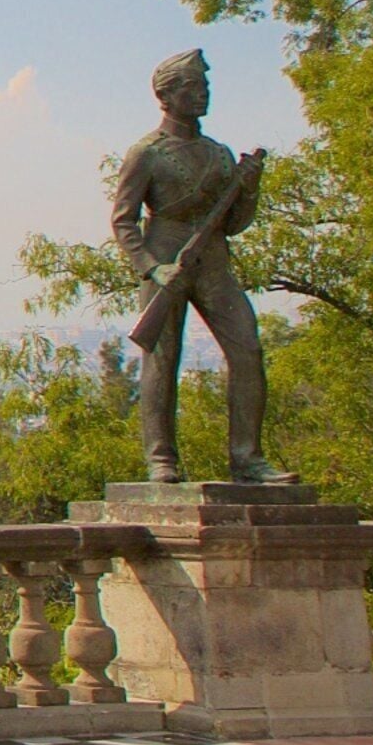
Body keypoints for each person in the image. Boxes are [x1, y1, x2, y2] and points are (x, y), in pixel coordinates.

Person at [110, 49, 281, 484]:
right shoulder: (146, 153)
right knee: (162, 358)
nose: (203, 95)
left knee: (247, 348)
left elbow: (236, 223)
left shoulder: (219, 153)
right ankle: (161, 457)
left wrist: (250, 188)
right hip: (166, 256)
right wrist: (151, 267)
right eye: (192, 88)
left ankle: (247, 457)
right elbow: (124, 220)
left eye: (204, 87)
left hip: (214, 261)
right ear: (165, 96)